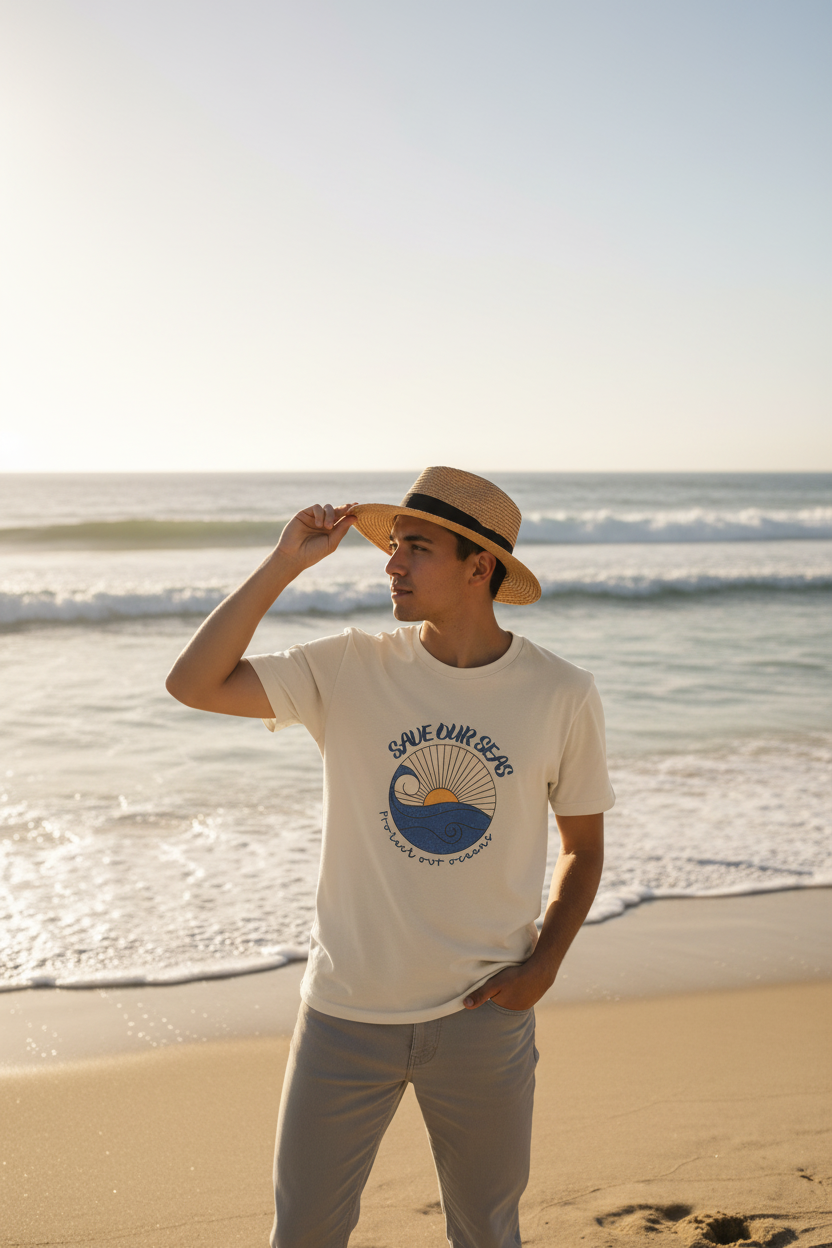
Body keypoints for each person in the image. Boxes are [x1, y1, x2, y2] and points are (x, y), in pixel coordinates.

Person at [165, 466, 615, 1248]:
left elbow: (583, 846)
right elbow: (193, 683)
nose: (391, 564)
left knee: (487, 1232)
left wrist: (544, 964)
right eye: (395, 545)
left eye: (418, 548)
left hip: (483, 1016)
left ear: (480, 567)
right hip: (343, 1015)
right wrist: (284, 563)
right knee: (303, 1234)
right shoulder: (348, 668)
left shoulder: (561, 692)